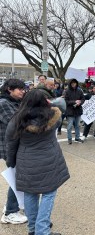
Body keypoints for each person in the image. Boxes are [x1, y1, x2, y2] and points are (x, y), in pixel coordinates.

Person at [6, 89, 69, 235]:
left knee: (30, 194)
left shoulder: (17, 120)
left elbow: (11, 143)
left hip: (26, 161)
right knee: (48, 194)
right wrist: (50, 103)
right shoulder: (54, 117)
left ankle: (33, 229)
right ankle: (42, 230)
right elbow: (60, 106)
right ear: (45, 102)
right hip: (49, 160)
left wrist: (11, 162)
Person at [0, 79, 28, 225]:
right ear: (10, 89)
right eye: (19, 89)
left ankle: (11, 207)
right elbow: (17, 123)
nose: (23, 91)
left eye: (23, 89)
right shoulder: (4, 104)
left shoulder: (14, 102)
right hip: (10, 147)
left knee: (17, 177)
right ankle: (10, 212)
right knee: (17, 179)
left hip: (16, 145)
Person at [64, 78, 85, 144]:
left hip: (78, 110)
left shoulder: (80, 90)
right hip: (70, 111)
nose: (73, 84)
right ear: (70, 84)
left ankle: (77, 138)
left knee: (77, 125)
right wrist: (74, 102)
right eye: (72, 83)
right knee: (70, 125)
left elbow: (83, 99)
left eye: (74, 83)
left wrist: (80, 102)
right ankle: (69, 139)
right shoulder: (67, 91)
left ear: (76, 83)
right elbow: (66, 101)